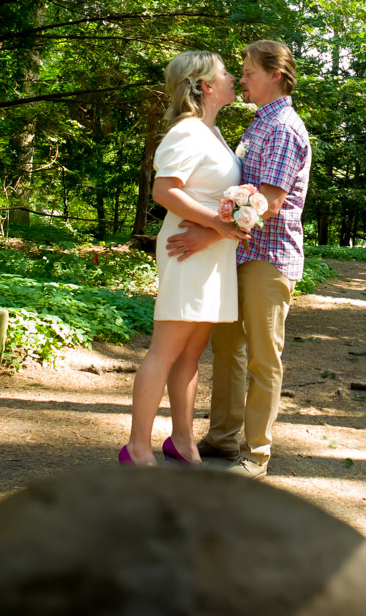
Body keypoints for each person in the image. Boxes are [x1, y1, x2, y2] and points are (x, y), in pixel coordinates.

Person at [165, 40, 310, 478]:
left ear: (275, 75)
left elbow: (267, 201)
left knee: (265, 356)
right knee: (228, 350)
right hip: (237, 252)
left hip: (268, 256)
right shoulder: (257, 126)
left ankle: (257, 454)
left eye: (248, 71)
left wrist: (206, 234)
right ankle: (223, 438)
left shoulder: (283, 127)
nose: (241, 78)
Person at [120, 50, 247, 467]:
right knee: (166, 350)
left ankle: (182, 440)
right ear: (205, 86)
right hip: (186, 248)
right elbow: (164, 191)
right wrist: (217, 222)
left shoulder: (212, 132)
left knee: (192, 354)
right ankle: (137, 447)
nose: (234, 79)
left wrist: (219, 229)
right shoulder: (188, 131)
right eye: (226, 73)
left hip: (211, 248)